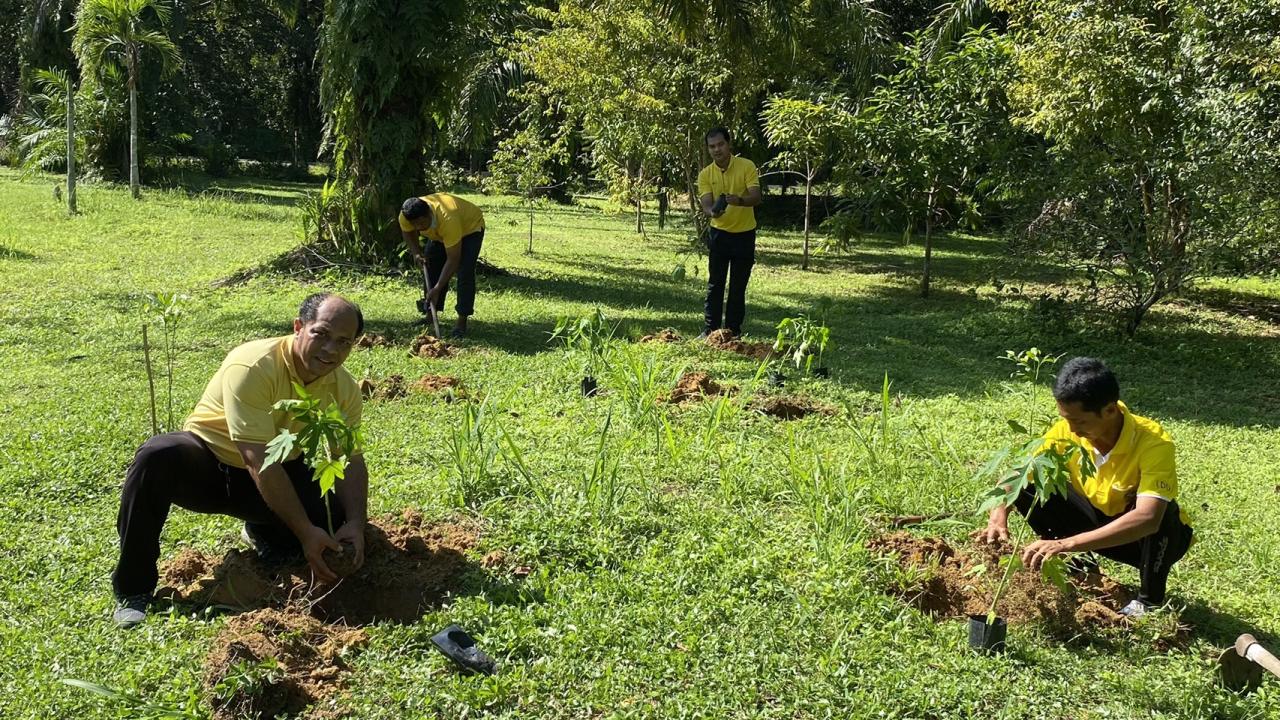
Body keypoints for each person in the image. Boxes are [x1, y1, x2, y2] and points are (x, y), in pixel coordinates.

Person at [111, 293, 369, 628]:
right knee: (156, 458)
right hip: (211, 466)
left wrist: (356, 523)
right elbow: (258, 457)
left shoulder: (343, 388)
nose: (330, 350)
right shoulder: (254, 364)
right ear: (298, 327)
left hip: (278, 473)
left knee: (331, 521)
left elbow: (349, 458)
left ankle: (265, 532)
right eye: (321, 334)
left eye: (343, 342)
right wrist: (305, 531)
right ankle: (133, 590)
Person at [976, 357, 1194, 617]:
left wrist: (1066, 544)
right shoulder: (1067, 431)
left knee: (1161, 510)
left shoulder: (1153, 443)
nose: (1072, 429)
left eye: (1080, 422)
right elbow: (1019, 473)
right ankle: (1080, 570)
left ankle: (1148, 600)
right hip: (1095, 522)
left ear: (1110, 411)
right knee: (1028, 488)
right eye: (1066, 420)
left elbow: (1147, 519)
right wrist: (998, 515)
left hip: (1147, 543)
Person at [697, 127, 762, 338]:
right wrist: (712, 212)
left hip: (744, 235)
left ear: (729, 144)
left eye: (720, 145)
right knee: (715, 285)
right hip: (719, 235)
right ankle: (710, 331)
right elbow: (706, 203)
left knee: (737, 286)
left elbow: (756, 196)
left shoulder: (746, 166)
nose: (717, 150)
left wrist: (740, 201)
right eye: (712, 146)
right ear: (708, 149)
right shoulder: (706, 174)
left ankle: (733, 333)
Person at [399, 194, 486, 338]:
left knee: (465, 273)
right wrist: (416, 253)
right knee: (431, 266)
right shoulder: (406, 215)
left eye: (421, 223)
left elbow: (453, 259)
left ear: (429, 214)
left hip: (470, 229)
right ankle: (430, 316)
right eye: (415, 224)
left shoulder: (448, 217)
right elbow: (407, 232)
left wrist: (438, 288)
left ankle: (461, 322)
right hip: (439, 234)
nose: (419, 227)